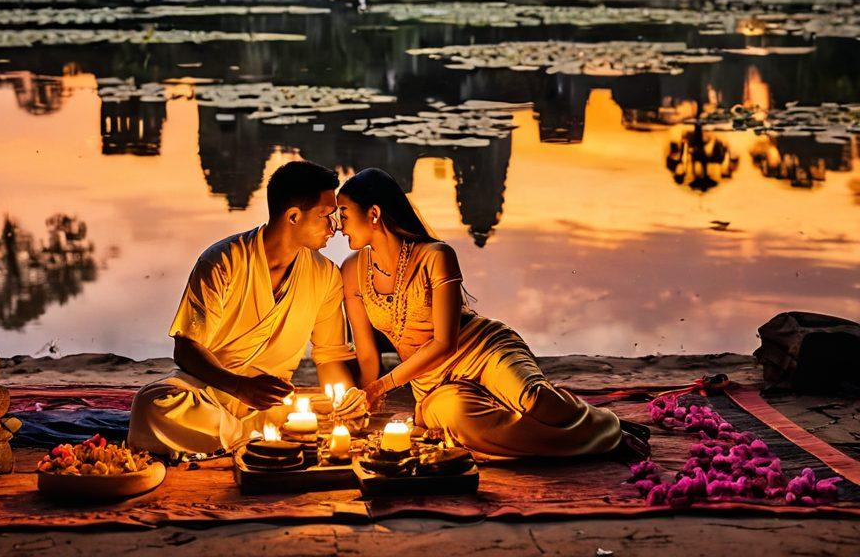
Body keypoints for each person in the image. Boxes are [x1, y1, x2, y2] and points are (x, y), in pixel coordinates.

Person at [336, 167, 648, 460]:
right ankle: (598, 439)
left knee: (538, 401)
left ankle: (606, 426)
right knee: (464, 424)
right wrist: (362, 401)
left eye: (345, 215)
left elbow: (446, 343)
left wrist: (380, 387)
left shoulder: (436, 256)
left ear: (373, 214)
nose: (339, 226)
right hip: (432, 385)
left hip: (482, 349)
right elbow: (367, 356)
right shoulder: (351, 271)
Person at [128, 160, 356, 458]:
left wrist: (347, 401)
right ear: (293, 216)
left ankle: (256, 437)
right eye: (326, 216)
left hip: (271, 406)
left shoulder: (325, 275)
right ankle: (256, 440)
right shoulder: (223, 260)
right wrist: (239, 386)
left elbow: (330, 357)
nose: (334, 227)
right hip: (209, 391)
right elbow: (185, 349)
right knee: (152, 404)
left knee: (319, 414)